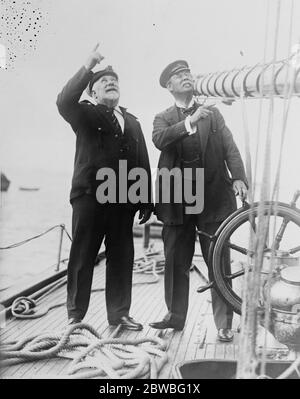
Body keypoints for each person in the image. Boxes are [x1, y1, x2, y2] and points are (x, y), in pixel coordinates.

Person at [149, 60, 247, 341]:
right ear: (169, 86)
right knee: (175, 260)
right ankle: (175, 317)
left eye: (187, 73)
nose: (185, 77)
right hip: (177, 201)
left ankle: (224, 323)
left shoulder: (213, 114)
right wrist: (189, 122)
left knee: (219, 261)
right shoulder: (163, 118)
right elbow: (160, 140)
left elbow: (230, 146)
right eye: (179, 76)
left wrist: (239, 177)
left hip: (213, 198)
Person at [56, 44, 153, 330]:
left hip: (123, 200)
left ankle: (119, 313)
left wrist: (146, 200)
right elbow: (63, 101)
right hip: (89, 197)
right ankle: (75, 316)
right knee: (83, 255)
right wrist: (88, 65)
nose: (110, 82)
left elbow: (142, 162)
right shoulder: (84, 114)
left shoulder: (133, 122)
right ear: (92, 92)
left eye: (114, 81)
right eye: (102, 81)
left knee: (122, 257)